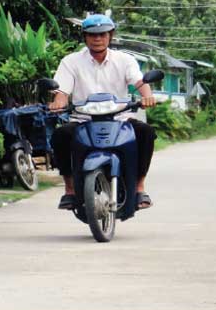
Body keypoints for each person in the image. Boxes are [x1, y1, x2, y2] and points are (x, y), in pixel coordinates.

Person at [48, 14, 158, 210]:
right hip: (83, 120)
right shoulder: (71, 61)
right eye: (92, 35)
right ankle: (70, 189)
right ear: (85, 37)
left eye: (102, 34)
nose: (97, 39)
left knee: (145, 132)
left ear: (110, 36)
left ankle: (139, 187)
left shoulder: (125, 60)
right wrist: (58, 101)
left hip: (120, 118)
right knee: (60, 135)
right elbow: (62, 90)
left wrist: (147, 95)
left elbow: (139, 81)